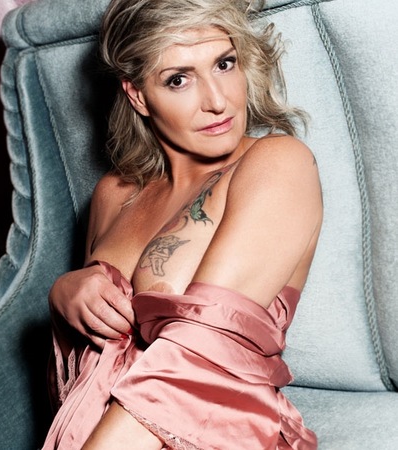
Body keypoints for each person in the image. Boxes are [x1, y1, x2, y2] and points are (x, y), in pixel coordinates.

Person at [43, 0, 322, 448]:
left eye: (224, 63)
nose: (217, 101)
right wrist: (64, 296)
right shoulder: (115, 193)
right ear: (138, 95)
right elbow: (88, 377)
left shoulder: (277, 163)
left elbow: (202, 352)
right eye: (179, 79)